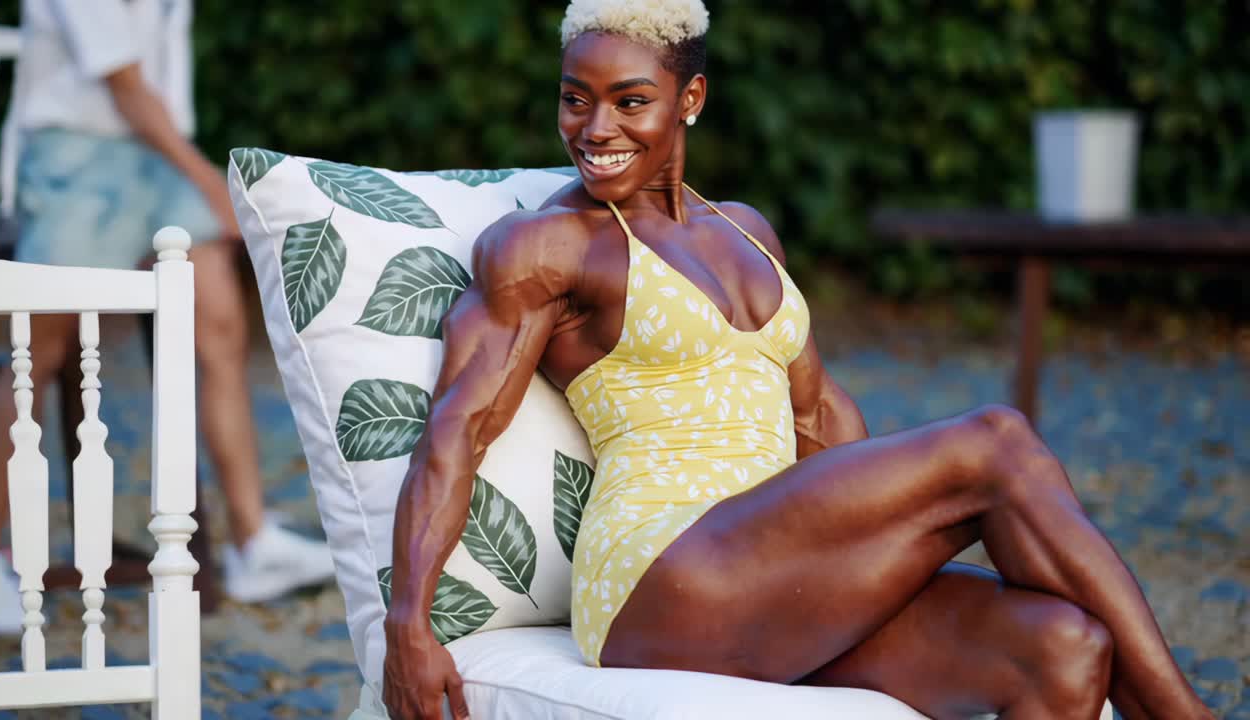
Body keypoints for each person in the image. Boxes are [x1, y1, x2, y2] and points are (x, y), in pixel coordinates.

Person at [381, 1, 1212, 718]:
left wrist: (884, 532)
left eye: (629, 101)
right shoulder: (546, 246)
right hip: (662, 575)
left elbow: (821, 420)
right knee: (994, 442)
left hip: (782, 566)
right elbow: (458, 432)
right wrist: (406, 624)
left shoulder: (745, 229)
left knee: (1062, 649)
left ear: (690, 98)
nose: (596, 130)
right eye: (575, 101)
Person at [0, 0, 334, 634]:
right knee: (39, 353)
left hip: (157, 152)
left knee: (219, 318)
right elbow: (123, 82)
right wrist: (209, 181)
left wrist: (189, 176)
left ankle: (253, 542)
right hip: (79, 158)